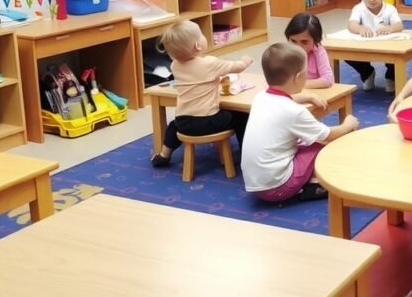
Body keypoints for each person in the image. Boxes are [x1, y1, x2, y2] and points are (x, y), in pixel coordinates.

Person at [241, 42, 359, 203]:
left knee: (303, 141)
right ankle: (313, 186)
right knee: (322, 144)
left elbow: (284, 98)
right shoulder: (295, 112)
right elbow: (329, 135)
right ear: (298, 78)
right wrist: (348, 124)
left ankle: (307, 180)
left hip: (255, 185)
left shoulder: (261, 96)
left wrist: (307, 96)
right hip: (278, 189)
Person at [150, 20, 253, 168]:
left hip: (184, 122)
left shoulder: (175, 65)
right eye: (201, 35)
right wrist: (246, 60)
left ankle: (164, 155)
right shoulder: (210, 63)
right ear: (197, 46)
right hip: (210, 121)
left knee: (173, 125)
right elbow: (238, 67)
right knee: (241, 115)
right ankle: (245, 153)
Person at [346, 0, 404, 92]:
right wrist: (360, 28)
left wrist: (390, 28)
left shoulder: (390, 9)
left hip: (387, 47)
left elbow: (399, 25)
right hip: (364, 47)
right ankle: (367, 73)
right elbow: (351, 25)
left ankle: (390, 77)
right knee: (345, 53)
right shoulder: (358, 8)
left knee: (399, 55)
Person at [285, 12, 333, 89]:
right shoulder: (284, 53)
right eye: (293, 41)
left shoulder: (318, 52)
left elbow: (328, 80)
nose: (298, 46)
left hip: (313, 94)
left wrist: (299, 85)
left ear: (316, 40)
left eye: (304, 42)